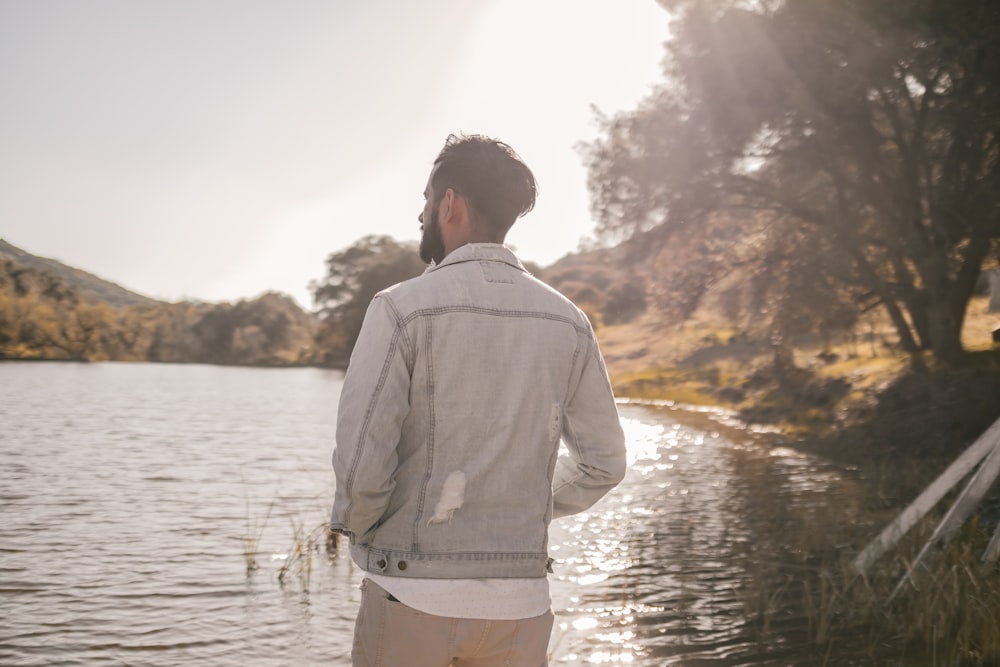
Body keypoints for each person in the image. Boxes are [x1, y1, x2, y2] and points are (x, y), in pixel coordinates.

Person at [330, 134, 627, 667]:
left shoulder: (399, 308)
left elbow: (361, 466)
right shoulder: (570, 320)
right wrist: (517, 502)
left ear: (450, 203)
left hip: (411, 595)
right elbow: (604, 465)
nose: (421, 214)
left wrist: (370, 525)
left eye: (426, 199)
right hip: (522, 608)